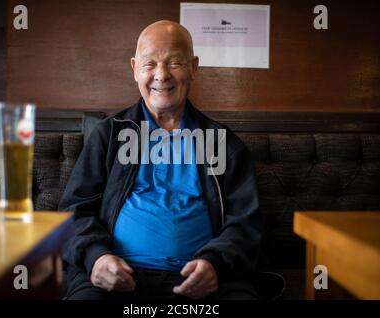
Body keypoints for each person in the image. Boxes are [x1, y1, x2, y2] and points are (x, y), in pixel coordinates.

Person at [59, 20, 265, 300]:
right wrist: (96, 257)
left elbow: (246, 222)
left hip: (202, 283)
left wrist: (215, 263)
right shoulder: (109, 134)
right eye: (149, 64)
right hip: (117, 278)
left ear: (193, 67)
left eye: (175, 63)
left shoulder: (222, 142)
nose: (161, 74)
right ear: (134, 69)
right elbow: (73, 211)